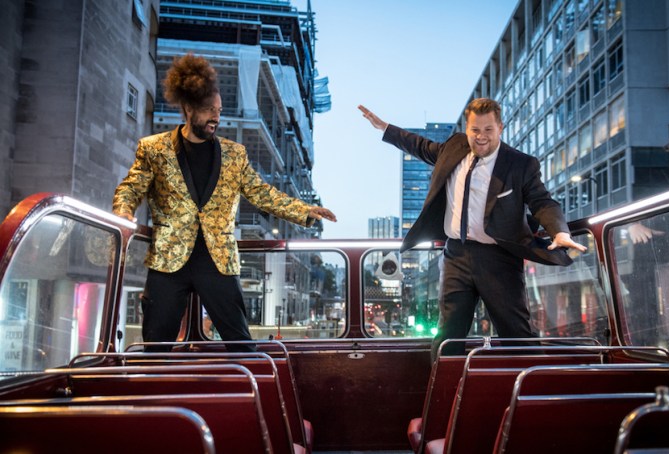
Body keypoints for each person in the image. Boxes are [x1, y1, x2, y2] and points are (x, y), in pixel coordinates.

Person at [113, 53, 336, 351]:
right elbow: (131, 186)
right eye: (208, 110)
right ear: (188, 108)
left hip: (217, 261)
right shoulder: (154, 149)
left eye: (218, 109)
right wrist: (123, 211)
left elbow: (262, 193)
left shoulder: (235, 154)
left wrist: (304, 211)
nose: (216, 117)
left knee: (242, 345)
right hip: (168, 261)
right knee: (156, 347)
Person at [359, 98, 586, 359]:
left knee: (517, 335)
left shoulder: (520, 164)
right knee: (447, 334)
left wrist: (560, 231)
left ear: (500, 128)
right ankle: (445, 392)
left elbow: (541, 200)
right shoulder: (455, 146)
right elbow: (420, 145)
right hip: (456, 254)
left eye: (488, 130)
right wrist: (385, 128)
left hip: (499, 257)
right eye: (475, 130)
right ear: (467, 128)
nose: (480, 138)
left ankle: (530, 392)